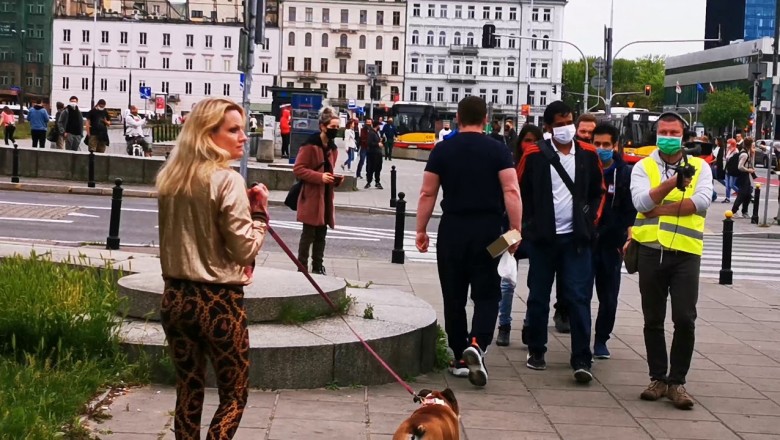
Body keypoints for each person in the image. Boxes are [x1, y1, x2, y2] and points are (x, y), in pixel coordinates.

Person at [156, 97, 269, 438]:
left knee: (188, 391)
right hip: (218, 302)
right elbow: (244, 247)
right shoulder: (226, 180)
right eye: (233, 129)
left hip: (175, 299)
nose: (243, 137)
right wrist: (260, 214)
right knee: (234, 393)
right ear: (208, 134)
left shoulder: (171, 179)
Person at [416, 96, 522, 387]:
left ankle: (460, 357)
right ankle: (478, 343)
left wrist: (420, 230)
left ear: (458, 119)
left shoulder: (442, 150)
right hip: (491, 232)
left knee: (454, 295)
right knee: (488, 292)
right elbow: (511, 190)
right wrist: (515, 231)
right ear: (486, 119)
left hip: (452, 231)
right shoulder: (498, 149)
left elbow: (427, 194)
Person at [629, 111, 713, 410]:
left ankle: (677, 382)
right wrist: (673, 183)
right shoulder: (643, 166)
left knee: (684, 318)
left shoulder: (701, 167)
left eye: (674, 133)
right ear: (656, 135)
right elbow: (641, 203)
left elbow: (701, 202)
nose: (668, 137)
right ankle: (657, 378)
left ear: (684, 135)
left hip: (686, 254)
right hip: (651, 250)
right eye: (663, 132)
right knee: (653, 319)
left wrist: (661, 209)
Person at [517, 100, 605, 382]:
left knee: (578, 298)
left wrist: (590, 219)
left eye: (569, 121)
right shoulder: (534, 155)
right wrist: (529, 225)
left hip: (576, 239)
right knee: (539, 296)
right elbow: (519, 192)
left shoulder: (589, 154)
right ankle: (537, 349)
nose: (566, 128)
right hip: (543, 240)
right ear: (548, 128)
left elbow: (598, 191)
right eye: (560, 124)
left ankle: (581, 357)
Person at [590, 123, 636, 358]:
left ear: (615, 145)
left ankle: (601, 339)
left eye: (606, 144)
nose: (601, 148)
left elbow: (630, 210)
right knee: (578, 294)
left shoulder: (624, 174)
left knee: (608, 297)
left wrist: (628, 236)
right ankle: (580, 337)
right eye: (597, 144)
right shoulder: (585, 168)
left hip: (611, 244)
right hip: (587, 242)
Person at [496, 123, 543, 347]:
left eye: (535, 141)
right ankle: (503, 325)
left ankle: (529, 324)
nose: (530, 145)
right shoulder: (511, 166)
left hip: (535, 231)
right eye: (527, 140)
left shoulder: (545, 168)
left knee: (537, 282)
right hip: (510, 230)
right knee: (505, 281)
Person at [293, 107, 342, 275]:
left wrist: (334, 180)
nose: (335, 130)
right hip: (311, 195)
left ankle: (318, 267)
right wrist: (319, 177)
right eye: (333, 127)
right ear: (322, 126)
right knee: (308, 234)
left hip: (326, 196)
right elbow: (299, 169)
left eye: (337, 127)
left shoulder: (333, 148)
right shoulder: (310, 145)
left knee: (322, 233)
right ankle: (301, 267)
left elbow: (329, 169)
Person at [730, 138, 756, 219]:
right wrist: (749, 170)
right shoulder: (744, 154)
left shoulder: (748, 152)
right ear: (750, 145)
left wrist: (752, 155)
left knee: (748, 194)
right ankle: (733, 211)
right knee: (742, 194)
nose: (754, 146)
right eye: (753, 144)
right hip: (743, 175)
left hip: (746, 175)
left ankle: (745, 211)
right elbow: (740, 167)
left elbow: (751, 163)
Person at [364, 120, 384, 189]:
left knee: (378, 168)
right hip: (373, 153)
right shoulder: (371, 133)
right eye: (379, 125)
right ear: (377, 125)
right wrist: (377, 144)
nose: (380, 127)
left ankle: (377, 182)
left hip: (378, 153)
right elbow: (369, 143)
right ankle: (369, 181)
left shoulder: (376, 133)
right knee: (371, 168)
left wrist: (380, 141)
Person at [722, 138, 740, 203]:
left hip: (733, 170)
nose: (727, 144)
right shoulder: (728, 150)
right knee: (727, 185)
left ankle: (742, 194)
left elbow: (734, 161)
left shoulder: (736, 151)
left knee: (731, 185)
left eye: (728, 143)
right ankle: (727, 198)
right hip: (727, 169)